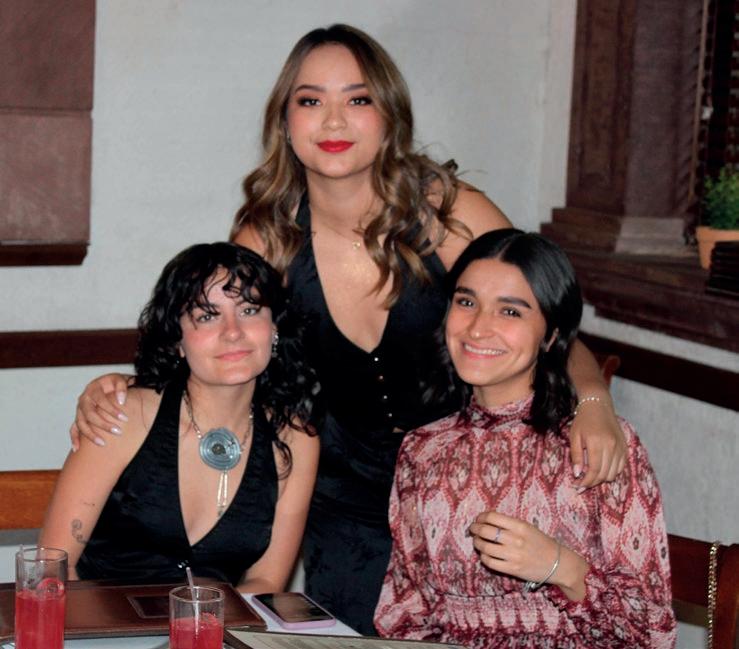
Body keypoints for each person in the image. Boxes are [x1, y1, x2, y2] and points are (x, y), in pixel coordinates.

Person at [68, 25, 627, 633]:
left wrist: (593, 399)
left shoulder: (447, 213)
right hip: (342, 513)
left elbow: (547, 326)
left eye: (358, 99)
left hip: (470, 495)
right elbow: (220, 348)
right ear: (285, 123)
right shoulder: (267, 237)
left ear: (390, 116)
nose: (334, 121)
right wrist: (123, 388)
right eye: (310, 100)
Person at [374, 229, 676, 648]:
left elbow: (652, 636)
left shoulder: (595, 445)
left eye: (510, 312)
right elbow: (405, 618)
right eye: (467, 302)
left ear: (551, 335)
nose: (478, 328)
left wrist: (560, 567)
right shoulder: (423, 450)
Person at [41, 243, 320, 592]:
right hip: (98, 621)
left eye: (249, 310)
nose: (233, 331)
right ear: (178, 339)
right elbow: (54, 566)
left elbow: (265, 582)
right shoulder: (123, 414)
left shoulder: (296, 439)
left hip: (218, 625)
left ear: (275, 327)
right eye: (207, 316)